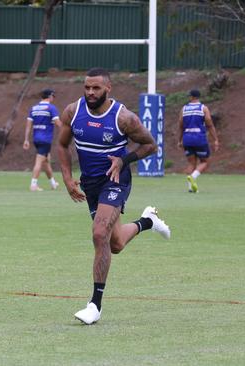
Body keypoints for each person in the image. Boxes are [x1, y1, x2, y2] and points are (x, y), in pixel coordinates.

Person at [57, 68, 171, 325]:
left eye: (96, 88)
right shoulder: (73, 112)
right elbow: (62, 145)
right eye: (86, 87)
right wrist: (66, 178)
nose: (90, 92)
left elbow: (150, 144)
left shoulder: (124, 118)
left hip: (116, 179)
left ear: (108, 88)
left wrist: (124, 159)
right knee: (115, 243)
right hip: (91, 184)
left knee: (99, 234)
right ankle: (148, 222)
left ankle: (94, 305)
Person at [177, 89, 219, 193]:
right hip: (199, 138)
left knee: (191, 163)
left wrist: (180, 140)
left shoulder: (184, 109)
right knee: (205, 161)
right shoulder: (203, 108)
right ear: (198, 97)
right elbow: (209, 124)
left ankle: (190, 188)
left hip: (187, 138)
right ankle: (193, 177)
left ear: (191, 97)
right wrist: (215, 139)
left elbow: (181, 126)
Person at [23, 88, 61, 191]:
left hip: (36, 138)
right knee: (39, 161)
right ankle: (33, 184)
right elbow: (58, 123)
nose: (54, 98)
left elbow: (28, 125)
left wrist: (26, 139)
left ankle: (53, 183)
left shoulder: (34, 108)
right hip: (46, 139)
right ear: (50, 96)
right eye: (53, 96)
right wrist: (68, 132)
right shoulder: (51, 108)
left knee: (46, 161)